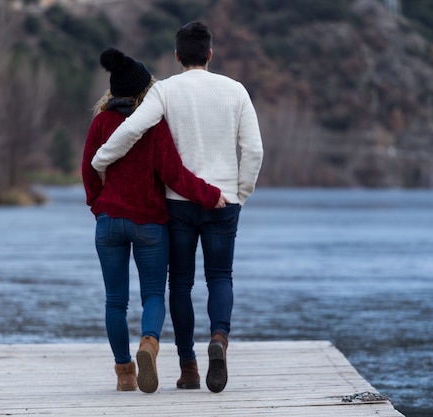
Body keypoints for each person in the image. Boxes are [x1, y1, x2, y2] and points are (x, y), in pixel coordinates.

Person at [91, 22, 264, 393]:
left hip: (178, 204)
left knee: (180, 285)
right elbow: (254, 151)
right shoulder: (236, 91)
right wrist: (240, 194)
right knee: (220, 277)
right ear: (210, 54)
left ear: (176, 56)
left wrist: (100, 159)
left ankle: (188, 368)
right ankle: (219, 338)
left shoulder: (165, 91)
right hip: (223, 200)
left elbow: (131, 128)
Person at [82, 47, 226, 394]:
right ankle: (148, 343)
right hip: (149, 224)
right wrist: (209, 195)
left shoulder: (101, 123)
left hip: (110, 222)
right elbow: (174, 174)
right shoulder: (154, 125)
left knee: (115, 301)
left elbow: (89, 169)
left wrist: (98, 206)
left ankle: (124, 373)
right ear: (147, 91)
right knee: (152, 296)